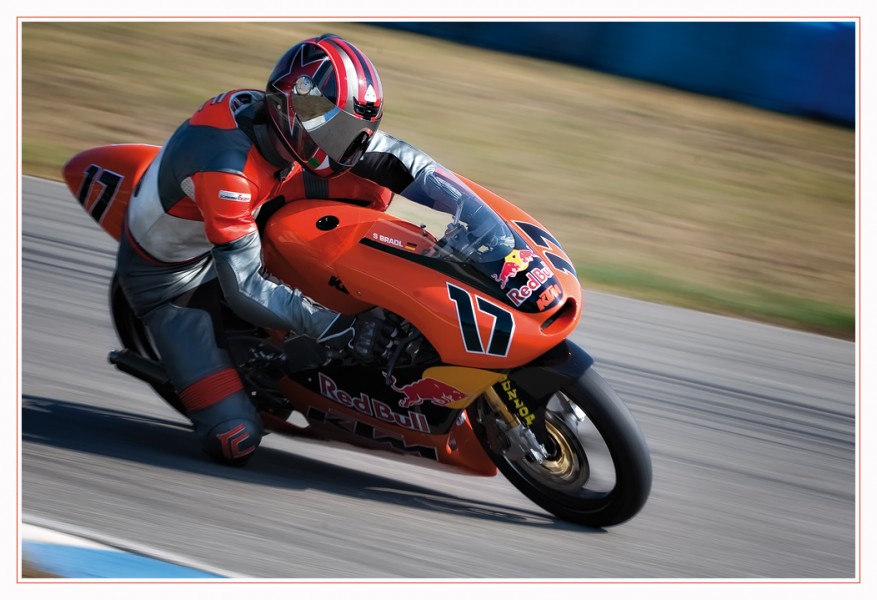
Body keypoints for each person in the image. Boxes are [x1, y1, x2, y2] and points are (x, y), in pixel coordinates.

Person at [116, 33, 440, 465]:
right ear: (294, 107)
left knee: (373, 183)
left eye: (349, 130)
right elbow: (245, 287)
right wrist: (338, 327)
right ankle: (206, 376)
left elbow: (396, 157)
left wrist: (469, 209)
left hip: (259, 194)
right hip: (174, 280)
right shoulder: (229, 172)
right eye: (332, 127)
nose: (342, 143)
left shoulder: (284, 124)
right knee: (235, 440)